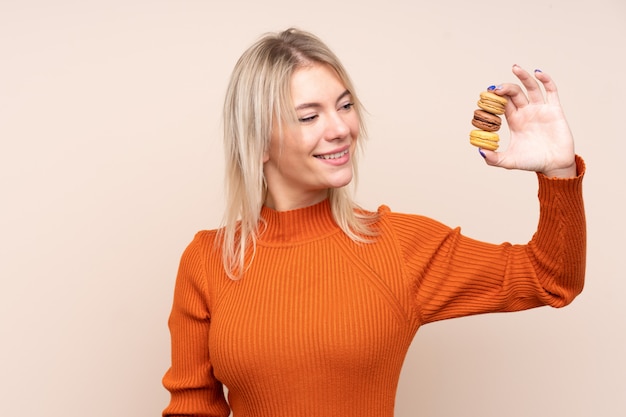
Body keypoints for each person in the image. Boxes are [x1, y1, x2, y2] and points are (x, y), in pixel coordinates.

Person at [161, 28, 586, 417]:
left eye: (345, 106)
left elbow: (550, 277)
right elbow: (193, 407)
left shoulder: (397, 245)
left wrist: (558, 171)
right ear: (258, 142)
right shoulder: (209, 260)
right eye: (309, 116)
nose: (341, 128)